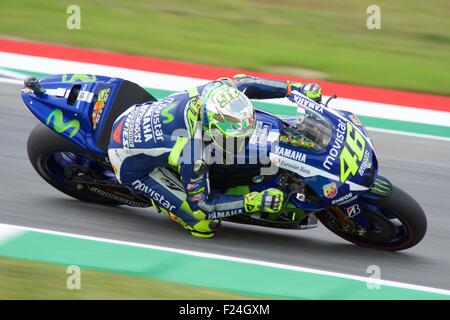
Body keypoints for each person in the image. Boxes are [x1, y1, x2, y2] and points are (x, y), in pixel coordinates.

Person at [107, 74, 322, 238]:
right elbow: (204, 205)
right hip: (126, 159)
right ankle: (174, 211)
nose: (243, 143)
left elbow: (248, 82)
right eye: (236, 138)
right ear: (212, 129)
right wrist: (253, 202)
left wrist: (293, 89)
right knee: (201, 222)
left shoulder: (219, 91)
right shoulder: (193, 153)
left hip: (137, 114)